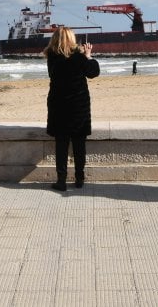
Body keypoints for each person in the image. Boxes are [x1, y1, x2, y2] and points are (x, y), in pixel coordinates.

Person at [44, 26, 100, 191]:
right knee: (79, 144)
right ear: (71, 39)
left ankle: (61, 180)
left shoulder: (52, 57)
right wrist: (88, 56)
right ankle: (79, 178)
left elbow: (53, 75)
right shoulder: (79, 57)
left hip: (59, 106)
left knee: (61, 144)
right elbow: (93, 72)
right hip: (78, 107)